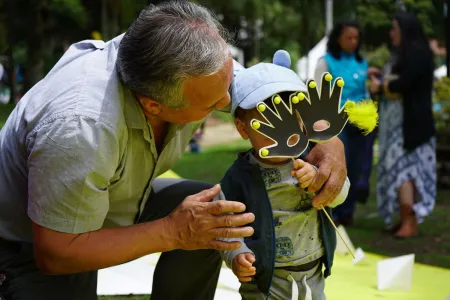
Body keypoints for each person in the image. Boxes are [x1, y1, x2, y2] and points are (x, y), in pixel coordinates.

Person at [0, 2, 348, 300]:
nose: (230, 101)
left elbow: (272, 93)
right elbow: (56, 252)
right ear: (153, 105)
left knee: (207, 209)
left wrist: (329, 143)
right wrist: (173, 231)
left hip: (107, 205)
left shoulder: (191, 61)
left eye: (228, 85)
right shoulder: (81, 127)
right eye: (214, 103)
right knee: (191, 223)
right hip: (28, 244)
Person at [218, 56, 351, 299]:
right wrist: (236, 255)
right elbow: (226, 225)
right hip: (265, 279)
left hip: (312, 273)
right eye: (267, 123)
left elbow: (340, 194)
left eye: (292, 117)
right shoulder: (240, 176)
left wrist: (319, 181)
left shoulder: (314, 156)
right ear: (243, 128)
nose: (283, 131)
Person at [369, 12, 436, 238]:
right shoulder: (404, 54)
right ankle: (402, 219)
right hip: (397, 126)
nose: (391, 33)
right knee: (396, 171)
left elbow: (405, 83)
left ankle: (410, 221)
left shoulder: (418, 54)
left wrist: (382, 86)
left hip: (411, 128)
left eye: (394, 28)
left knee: (406, 173)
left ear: (405, 30)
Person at [314, 20, 375, 226]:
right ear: (338, 38)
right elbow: (319, 93)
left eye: (356, 38)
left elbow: (364, 91)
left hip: (360, 121)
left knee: (357, 166)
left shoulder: (362, 63)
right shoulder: (326, 62)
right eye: (348, 37)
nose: (353, 41)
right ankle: (334, 210)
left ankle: (348, 212)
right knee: (340, 164)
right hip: (336, 121)